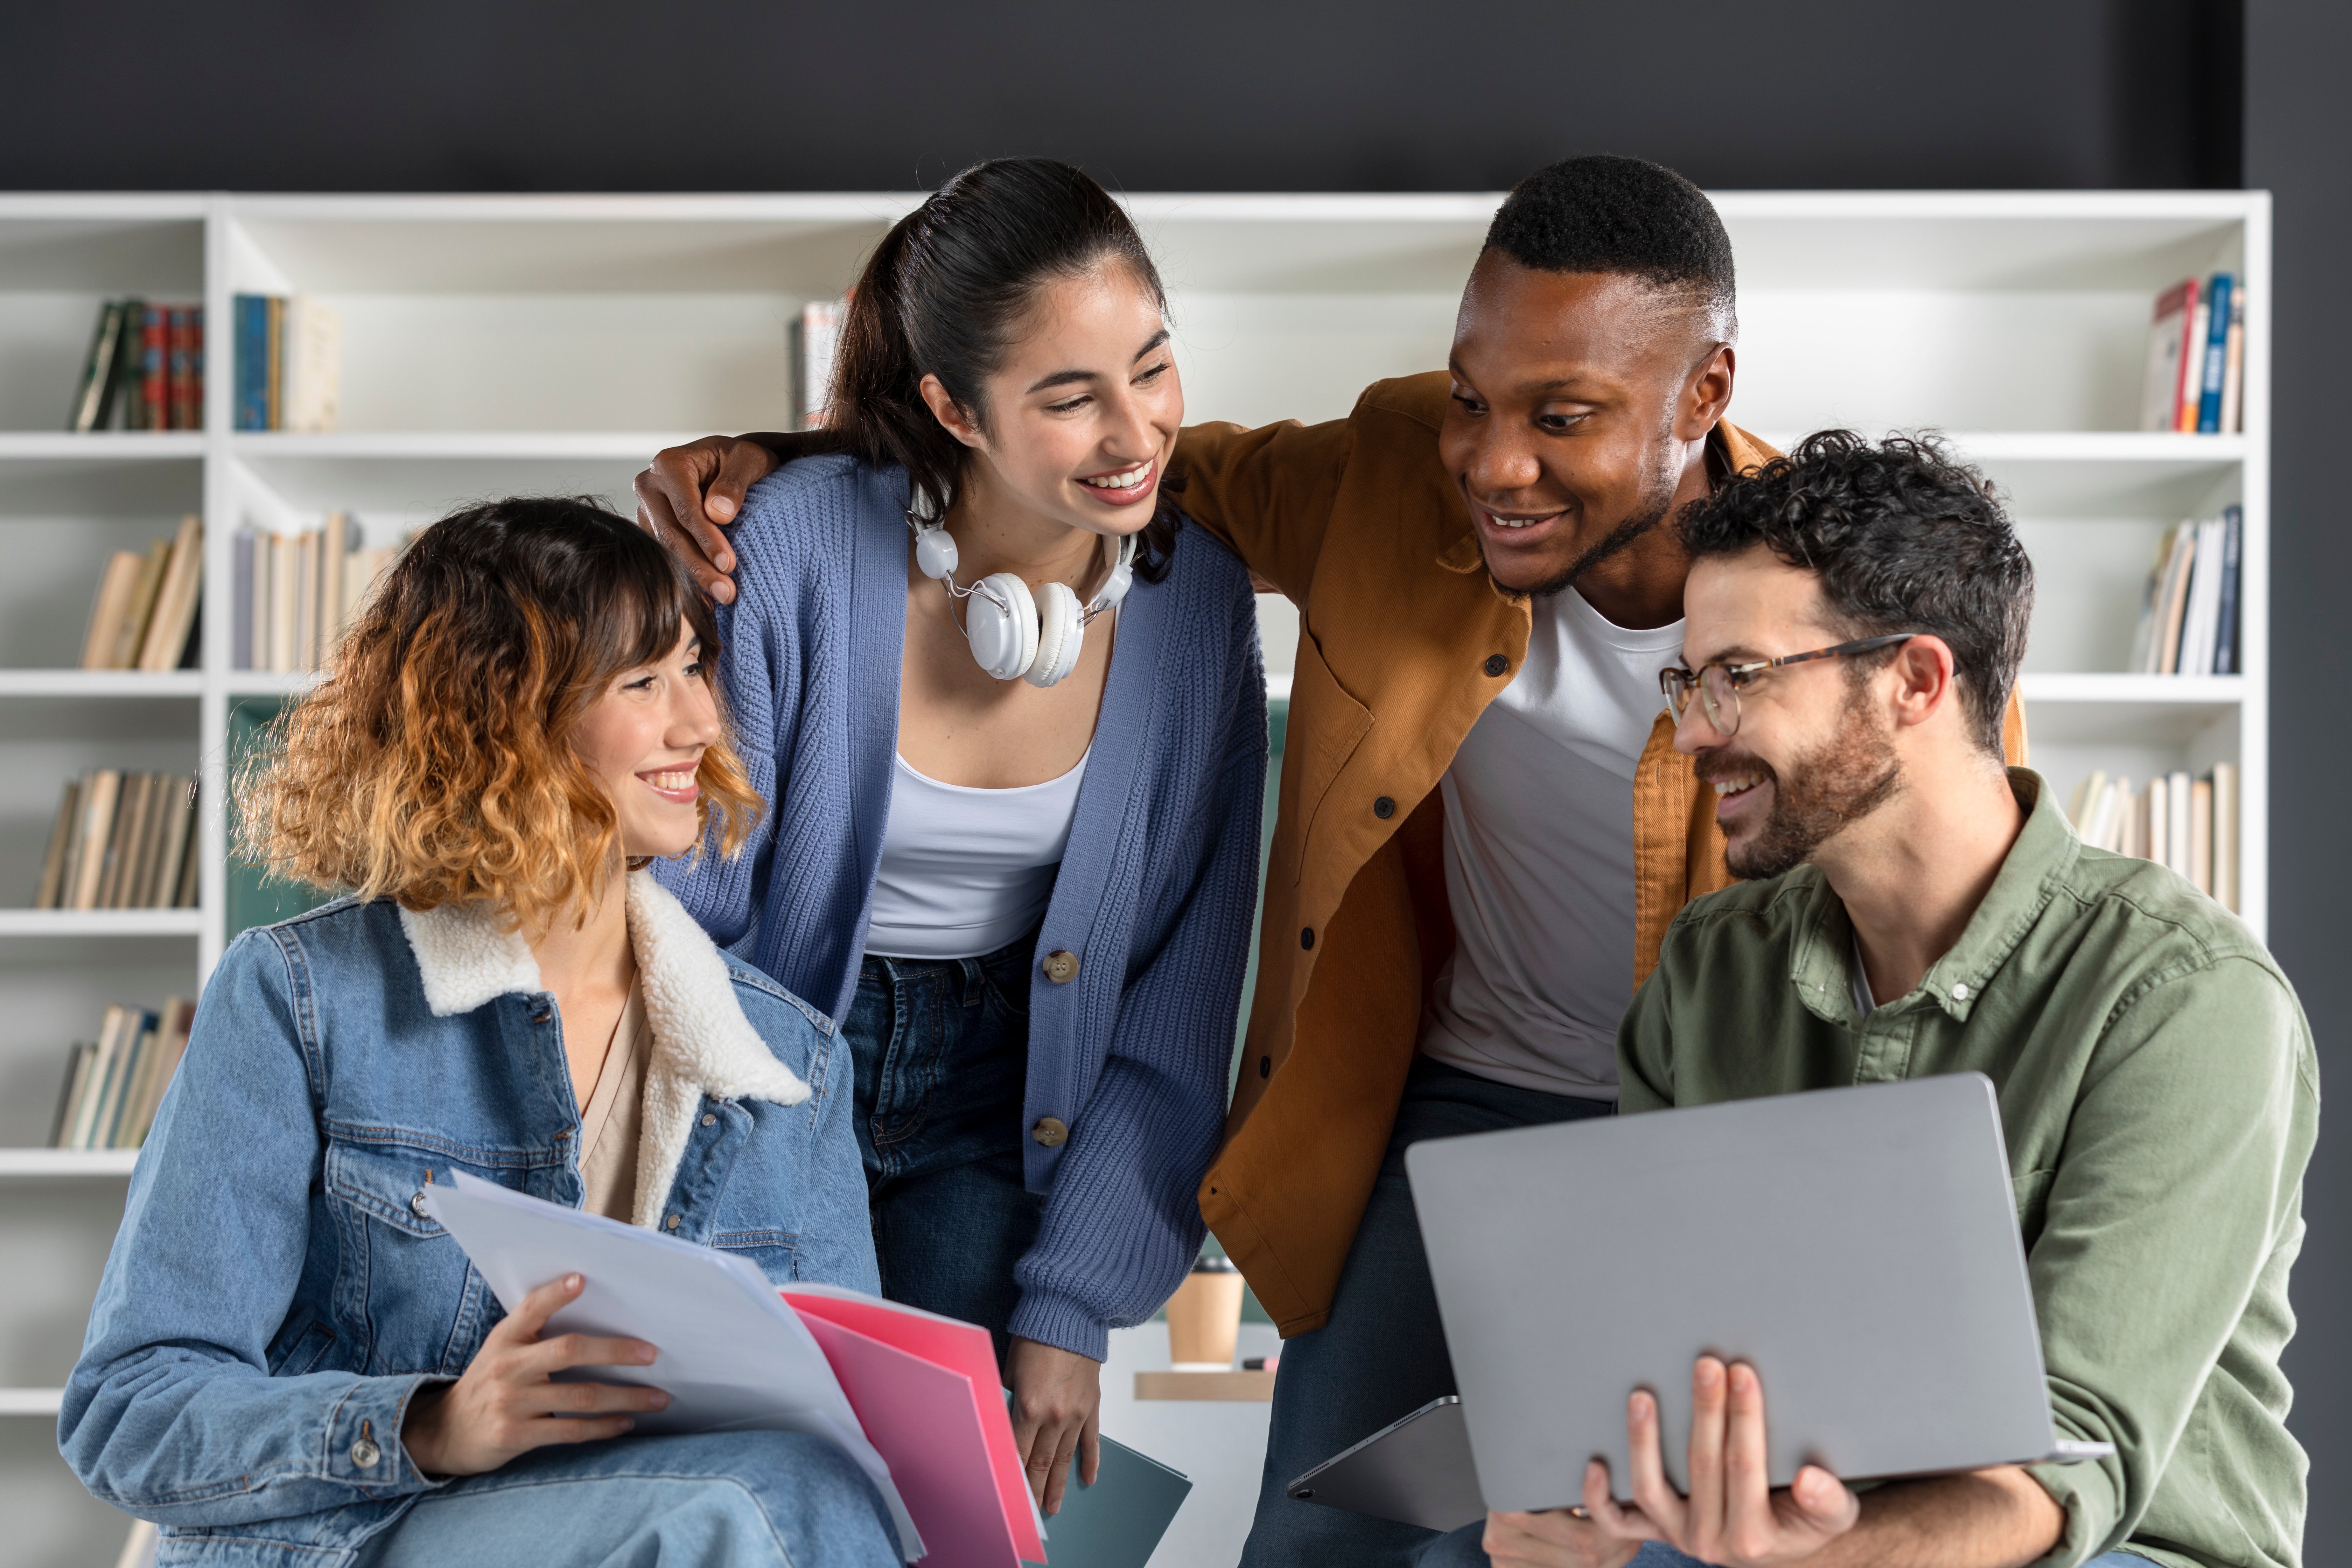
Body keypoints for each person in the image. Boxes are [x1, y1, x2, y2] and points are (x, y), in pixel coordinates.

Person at [635, 156, 2026, 1562]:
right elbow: (1120, 475)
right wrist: (794, 464)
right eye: (1473, 399)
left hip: (1721, 1135)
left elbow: (1983, 936)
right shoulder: (1388, 476)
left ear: (1704, 396)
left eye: (1565, 418)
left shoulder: (1863, 610)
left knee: (1654, 1535)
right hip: (1455, 1104)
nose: (1494, 463)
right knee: (1320, 1531)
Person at [1434, 432, 2312, 1568]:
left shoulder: (2187, 1000)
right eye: (1686, 681)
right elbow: (1660, 1360)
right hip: (1793, 1525)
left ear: (1916, 681)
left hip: (2114, 1547)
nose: (1692, 730)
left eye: (1737, 677)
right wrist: (1580, 1503)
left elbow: (2063, 1467)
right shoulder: (1710, 972)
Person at [58, 500, 901, 1567]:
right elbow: (131, 1411)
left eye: (694, 668)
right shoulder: (298, 999)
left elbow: (850, 1425)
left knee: (810, 1494)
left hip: (669, 1534)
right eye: (643, 685)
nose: (701, 725)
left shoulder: (786, 1061)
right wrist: (431, 1426)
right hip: (366, 1538)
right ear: (505, 718)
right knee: (761, 1503)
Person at [648, 158, 1267, 1513]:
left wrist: (1076, 1302)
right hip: (769, 1058)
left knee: (948, 1511)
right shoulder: (795, 546)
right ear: (950, 407)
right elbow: (674, 899)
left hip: (1005, 1100)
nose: (1136, 433)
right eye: (1069, 397)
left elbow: (1177, 1003)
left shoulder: (1199, 607)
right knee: (755, 1496)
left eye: (1152, 370)